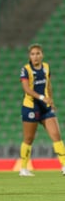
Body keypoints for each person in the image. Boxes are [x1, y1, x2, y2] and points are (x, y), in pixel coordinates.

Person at [19, 43, 65, 176]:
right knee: (28, 138)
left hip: (45, 107)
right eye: (33, 54)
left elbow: (48, 85)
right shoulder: (26, 69)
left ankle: (64, 165)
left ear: (42, 55)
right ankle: (23, 168)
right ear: (29, 56)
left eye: (38, 53)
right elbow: (26, 89)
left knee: (56, 135)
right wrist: (41, 97)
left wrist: (50, 99)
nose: (35, 56)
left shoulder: (46, 67)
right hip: (31, 106)